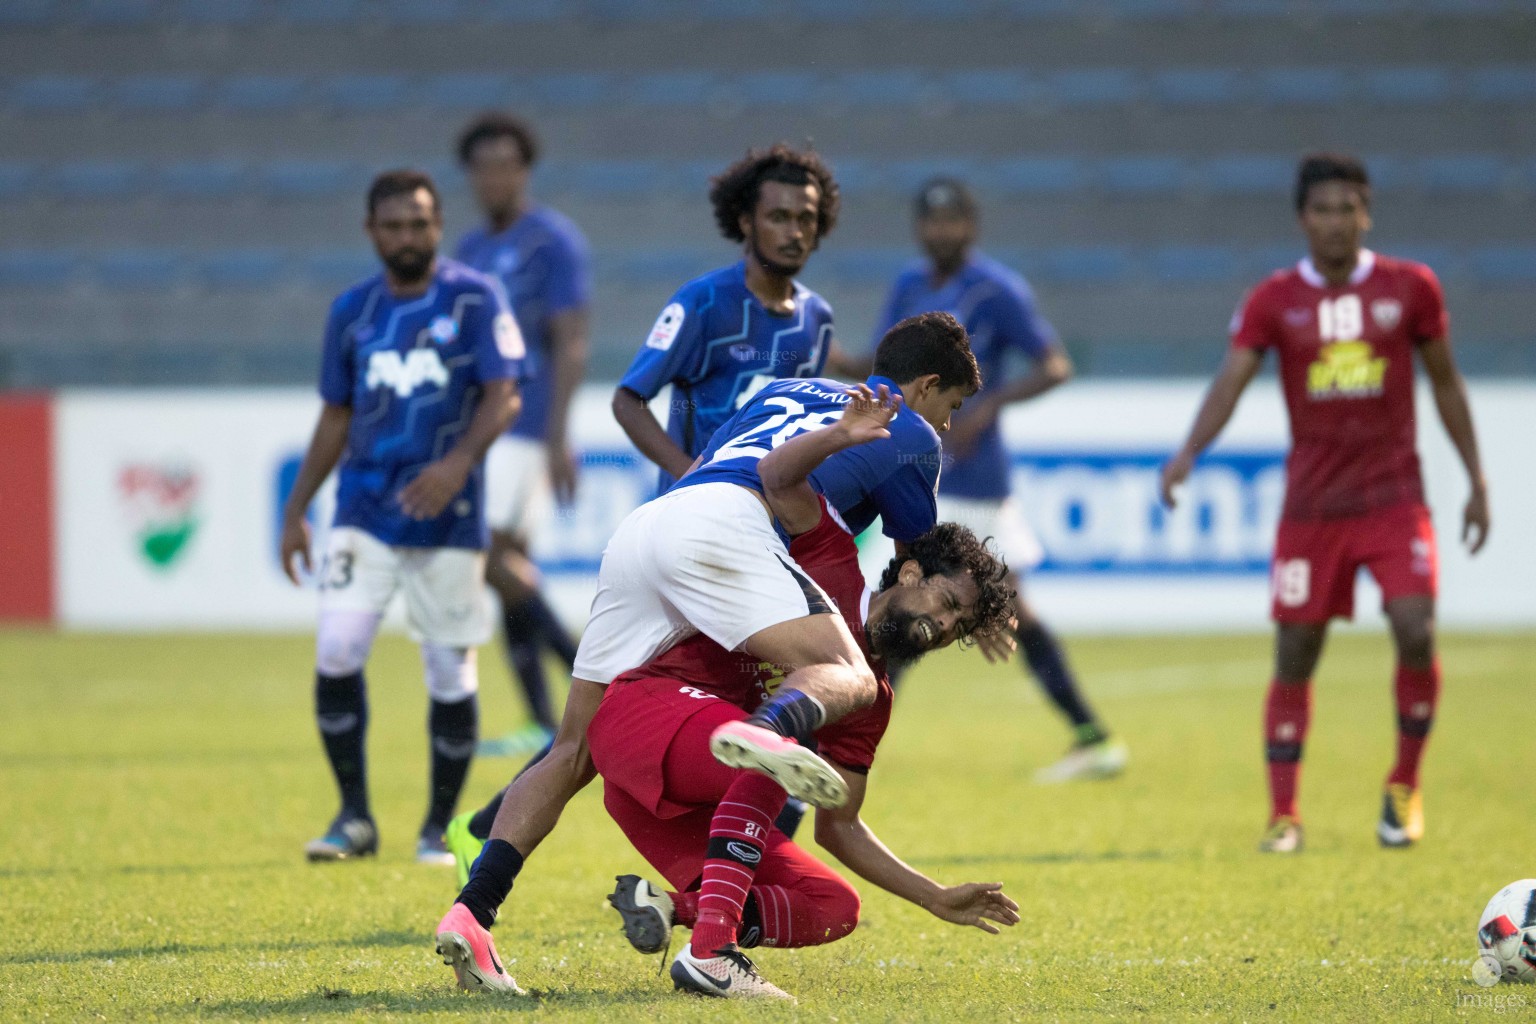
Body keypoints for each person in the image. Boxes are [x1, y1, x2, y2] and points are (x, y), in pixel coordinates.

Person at [433, 312, 981, 994]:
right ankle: (763, 742)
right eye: (953, 405)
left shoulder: (789, 387)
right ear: (927, 385)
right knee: (848, 678)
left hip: (655, 524)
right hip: (733, 523)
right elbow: (917, 559)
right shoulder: (912, 434)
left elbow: (723, 464)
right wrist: (970, 602)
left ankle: (473, 910)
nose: (950, 424)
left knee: (569, 749)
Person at [591, 386, 1020, 999]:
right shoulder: (828, 556)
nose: (945, 626)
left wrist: (935, 896)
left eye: (958, 627)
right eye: (947, 604)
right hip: (645, 717)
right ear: (910, 572)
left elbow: (838, 825)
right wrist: (841, 435)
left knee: (832, 905)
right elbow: (775, 474)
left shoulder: (870, 698)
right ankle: (712, 954)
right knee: (782, 752)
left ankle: (674, 908)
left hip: (685, 798)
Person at [1159, 153, 1490, 854]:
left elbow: (1448, 384)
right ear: (1302, 217)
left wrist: (1477, 479)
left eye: (1349, 208)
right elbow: (1232, 380)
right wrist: (1189, 451)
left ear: (1366, 214)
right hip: (1313, 509)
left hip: (1394, 498)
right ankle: (1285, 815)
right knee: (1296, 651)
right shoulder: (1274, 299)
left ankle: (1403, 785)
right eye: (1323, 209)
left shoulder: (1411, 287)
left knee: (1415, 628)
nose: (1336, 222)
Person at [278, 169, 527, 864]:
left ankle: (435, 828)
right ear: (371, 232)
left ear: (438, 225)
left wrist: (457, 465)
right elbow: (336, 414)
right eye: (394, 225)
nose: (408, 236)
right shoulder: (351, 312)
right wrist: (297, 508)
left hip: (450, 516)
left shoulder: (476, 299)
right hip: (363, 507)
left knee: (450, 671)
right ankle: (353, 817)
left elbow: (504, 395)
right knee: (337, 650)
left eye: (420, 223)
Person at [872, 177, 1125, 783]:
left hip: (976, 482)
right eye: (931, 222)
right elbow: (884, 366)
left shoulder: (998, 290)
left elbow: (1055, 364)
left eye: (952, 221)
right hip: (919, 473)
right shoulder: (908, 284)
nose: (941, 232)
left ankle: (852, 737)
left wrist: (985, 407)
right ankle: (1091, 735)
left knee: (925, 608)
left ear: (972, 226)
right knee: (974, 609)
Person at [612, 142, 866, 496]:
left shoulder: (818, 319)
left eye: (805, 218)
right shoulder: (703, 302)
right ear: (746, 222)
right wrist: (688, 474)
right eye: (778, 217)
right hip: (693, 512)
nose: (794, 233)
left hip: (768, 519)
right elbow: (628, 401)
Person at [453, 112, 591, 757]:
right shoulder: (470, 252)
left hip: (526, 423)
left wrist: (559, 434)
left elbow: (570, 342)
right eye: (482, 167)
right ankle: (546, 721)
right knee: (508, 563)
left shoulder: (551, 241)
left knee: (483, 554)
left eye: (505, 164)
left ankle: (586, 683)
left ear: (525, 170)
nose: (493, 178)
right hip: (486, 424)